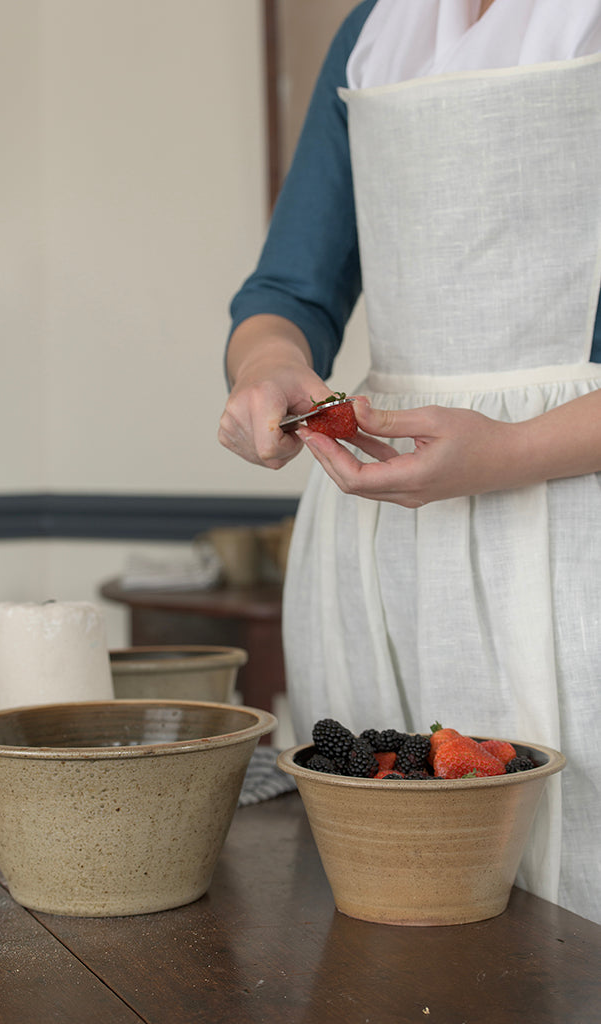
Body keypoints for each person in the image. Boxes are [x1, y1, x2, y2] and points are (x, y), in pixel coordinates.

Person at [218, 0, 601, 925]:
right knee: (394, 899)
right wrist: (266, 369)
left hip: (572, 511)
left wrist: (510, 448)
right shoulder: (376, 29)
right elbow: (287, 289)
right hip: (377, 538)